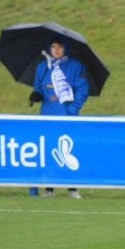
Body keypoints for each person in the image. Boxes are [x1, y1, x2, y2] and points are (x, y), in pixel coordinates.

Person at [30, 35, 90, 199]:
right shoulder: (43, 67)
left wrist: (71, 110)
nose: (56, 50)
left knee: (70, 151)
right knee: (49, 150)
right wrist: (36, 95)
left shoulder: (75, 67)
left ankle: (72, 188)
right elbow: (39, 88)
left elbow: (83, 90)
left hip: (67, 117)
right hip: (47, 116)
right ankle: (49, 188)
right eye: (53, 46)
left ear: (65, 48)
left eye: (60, 46)